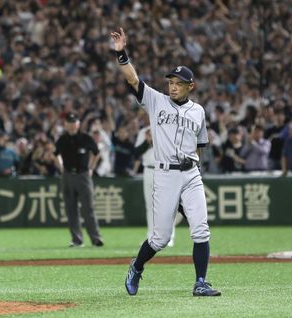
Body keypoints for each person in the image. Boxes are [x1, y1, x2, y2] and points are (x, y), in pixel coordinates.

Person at [111, 27, 220, 296]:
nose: (172, 86)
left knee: (201, 230)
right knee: (159, 237)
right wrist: (121, 54)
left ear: (190, 86)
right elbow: (133, 80)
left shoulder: (198, 111)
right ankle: (137, 266)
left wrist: (193, 172)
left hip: (191, 173)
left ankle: (200, 283)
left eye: (178, 83)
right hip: (165, 175)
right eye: (171, 81)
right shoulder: (156, 101)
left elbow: (201, 146)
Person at [54, 112, 104, 248]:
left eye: (74, 122)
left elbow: (97, 153)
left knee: (88, 208)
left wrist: (91, 168)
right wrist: (61, 168)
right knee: (71, 209)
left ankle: (96, 238)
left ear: (78, 124)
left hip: (83, 175)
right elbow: (55, 154)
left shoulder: (85, 138)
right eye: (69, 122)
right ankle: (77, 239)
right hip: (68, 175)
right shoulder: (62, 139)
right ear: (65, 124)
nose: (71, 125)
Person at [134, 124, 176, 247]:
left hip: (165, 170)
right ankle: (151, 236)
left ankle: (169, 236)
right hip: (148, 170)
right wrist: (147, 141)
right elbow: (136, 152)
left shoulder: (167, 127)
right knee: (150, 205)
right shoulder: (144, 131)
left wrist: (155, 139)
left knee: (167, 205)